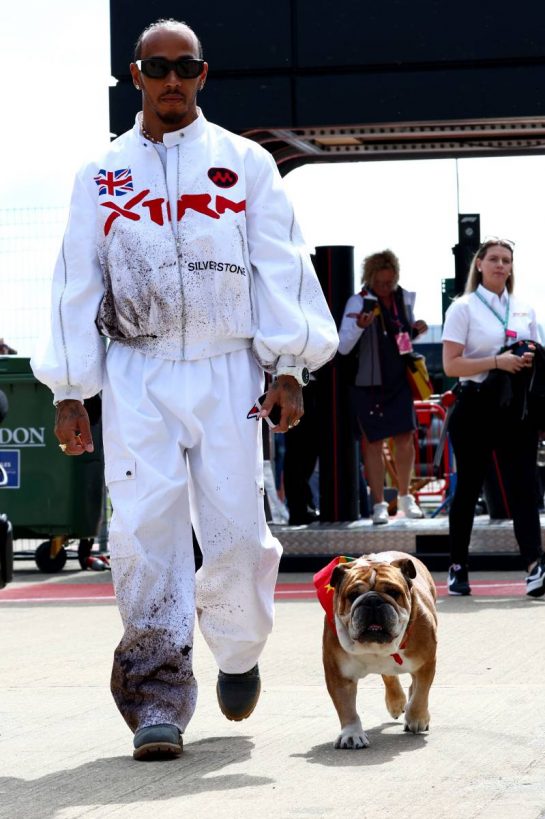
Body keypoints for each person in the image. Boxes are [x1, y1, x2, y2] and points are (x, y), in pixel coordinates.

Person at [31, 18, 338, 760]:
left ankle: (237, 648)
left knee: (236, 528)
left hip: (229, 368)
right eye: (158, 66)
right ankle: (156, 697)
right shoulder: (99, 174)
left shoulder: (245, 164)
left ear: (204, 74)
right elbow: (77, 279)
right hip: (137, 372)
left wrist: (290, 365)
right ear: (135, 75)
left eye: (186, 66)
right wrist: (70, 388)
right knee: (142, 533)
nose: (173, 79)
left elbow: (281, 264)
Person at [442, 237, 545, 597]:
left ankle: (534, 565)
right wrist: (497, 361)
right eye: (495, 259)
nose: (501, 265)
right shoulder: (463, 308)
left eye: (507, 260)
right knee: (468, 488)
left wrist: (526, 357)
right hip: (474, 405)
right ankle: (458, 565)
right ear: (480, 265)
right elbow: (451, 364)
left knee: (524, 487)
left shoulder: (524, 308)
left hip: (515, 408)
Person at [337, 249, 428, 524]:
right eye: (380, 283)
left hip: (397, 377)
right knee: (372, 442)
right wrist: (360, 327)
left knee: (405, 437)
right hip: (367, 382)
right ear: (370, 279)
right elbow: (343, 345)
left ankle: (404, 496)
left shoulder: (403, 298)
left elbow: (402, 340)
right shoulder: (359, 301)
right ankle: (378, 503)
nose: (386, 288)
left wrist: (415, 331)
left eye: (389, 283)